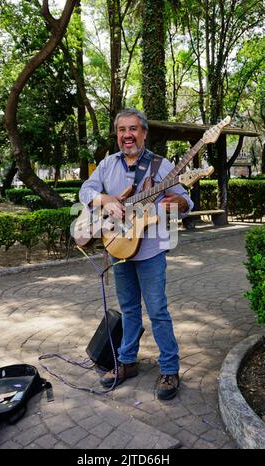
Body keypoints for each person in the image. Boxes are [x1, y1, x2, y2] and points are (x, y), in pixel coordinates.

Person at [79, 108, 193, 400]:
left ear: (143, 133)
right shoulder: (106, 165)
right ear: (117, 134)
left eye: (133, 129)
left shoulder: (161, 165)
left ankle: (169, 368)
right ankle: (127, 362)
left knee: (157, 311)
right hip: (119, 247)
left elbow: (186, 200)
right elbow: (86, 191)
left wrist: (177, 203)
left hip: (151, 249)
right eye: (121, 130)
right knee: (128, 309)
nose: (127, 135)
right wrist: (104, 199)